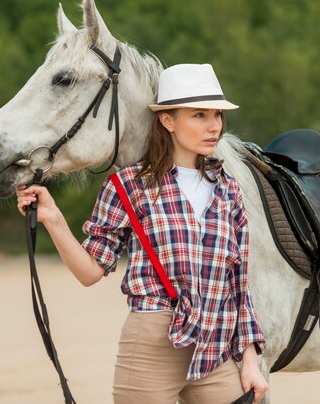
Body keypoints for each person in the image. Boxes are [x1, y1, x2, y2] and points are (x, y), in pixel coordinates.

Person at [16, 63, 268, 404]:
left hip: (216, 348)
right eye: (199, 115)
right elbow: (90, 271)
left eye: (217, 115)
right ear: (168, 120)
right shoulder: (128, 186)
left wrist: (250, 360)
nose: (214, 126)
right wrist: (53, 218)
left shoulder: (228, 189)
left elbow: (238, 285)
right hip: (152, 344)